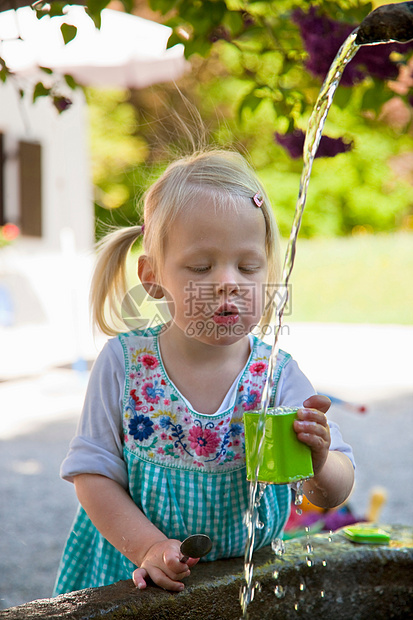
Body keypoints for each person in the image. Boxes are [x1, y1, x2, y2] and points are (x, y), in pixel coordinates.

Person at [53, 148, 355, 596]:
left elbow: (333, 492)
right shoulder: (125, 364)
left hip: (244, 582)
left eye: (248, 267)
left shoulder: (275, 375)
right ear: (152, 276)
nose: (228, 282)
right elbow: (92, 476)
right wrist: (149, 548)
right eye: (201, 267)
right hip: (135, 578)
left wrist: (318, 461)